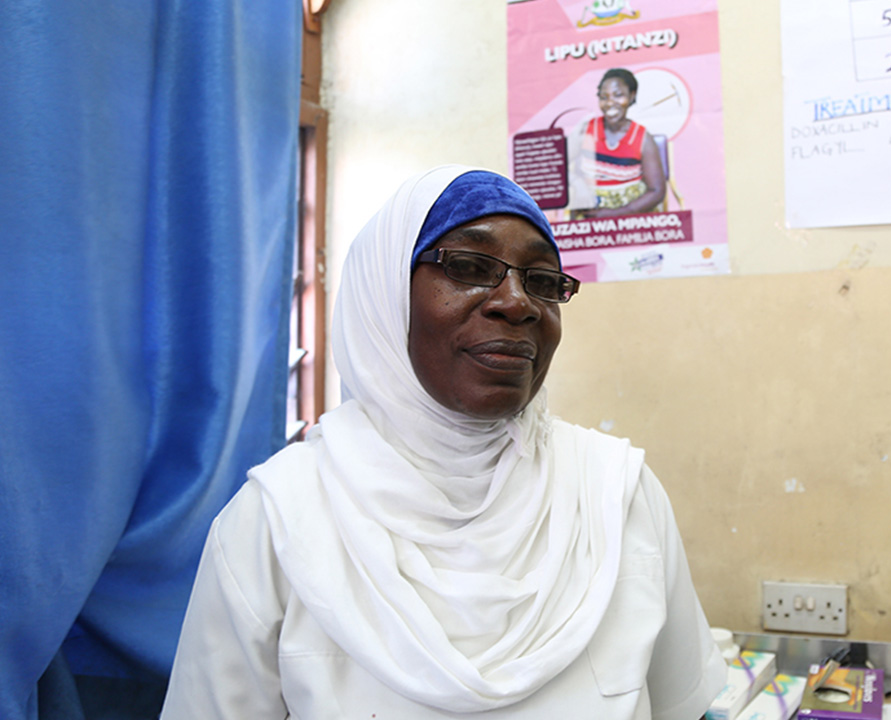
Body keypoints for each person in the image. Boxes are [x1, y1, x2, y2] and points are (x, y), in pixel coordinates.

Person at [159, 166, 726, 719]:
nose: (517, 302)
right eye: (470, 266)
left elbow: (679, 702)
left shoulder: (615, 495)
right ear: (385, 296)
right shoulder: (277, 520)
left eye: (544, 281)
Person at [577, 68, 667, 217]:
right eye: (604, 97)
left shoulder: (642, 137)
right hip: (591, 216)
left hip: (631, 216)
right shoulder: (585, 131)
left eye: (618, 95)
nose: (610, 103)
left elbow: (657, 191)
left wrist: (618, 213)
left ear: (632, 96)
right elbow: (566, 175)